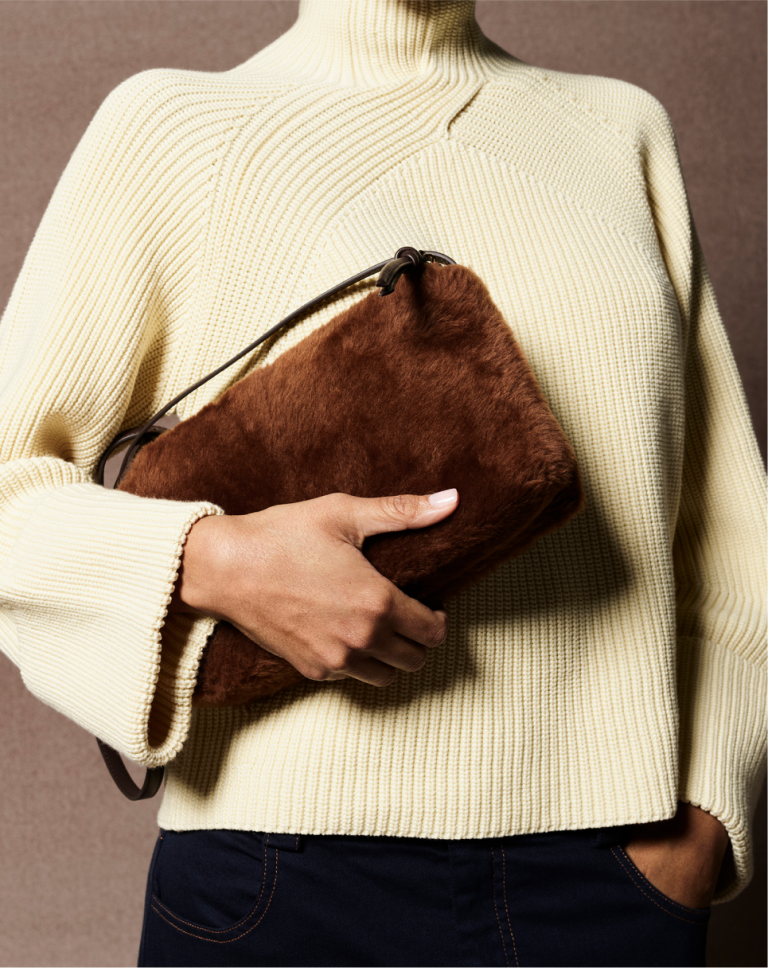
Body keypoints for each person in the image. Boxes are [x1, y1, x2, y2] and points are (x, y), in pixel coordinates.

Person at [0, 1, 763, 964]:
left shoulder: (619, 130)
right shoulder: (177, 130)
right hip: (279, 880)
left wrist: (704, 824)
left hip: (606, 880)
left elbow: (728, 539)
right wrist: (218, 560)